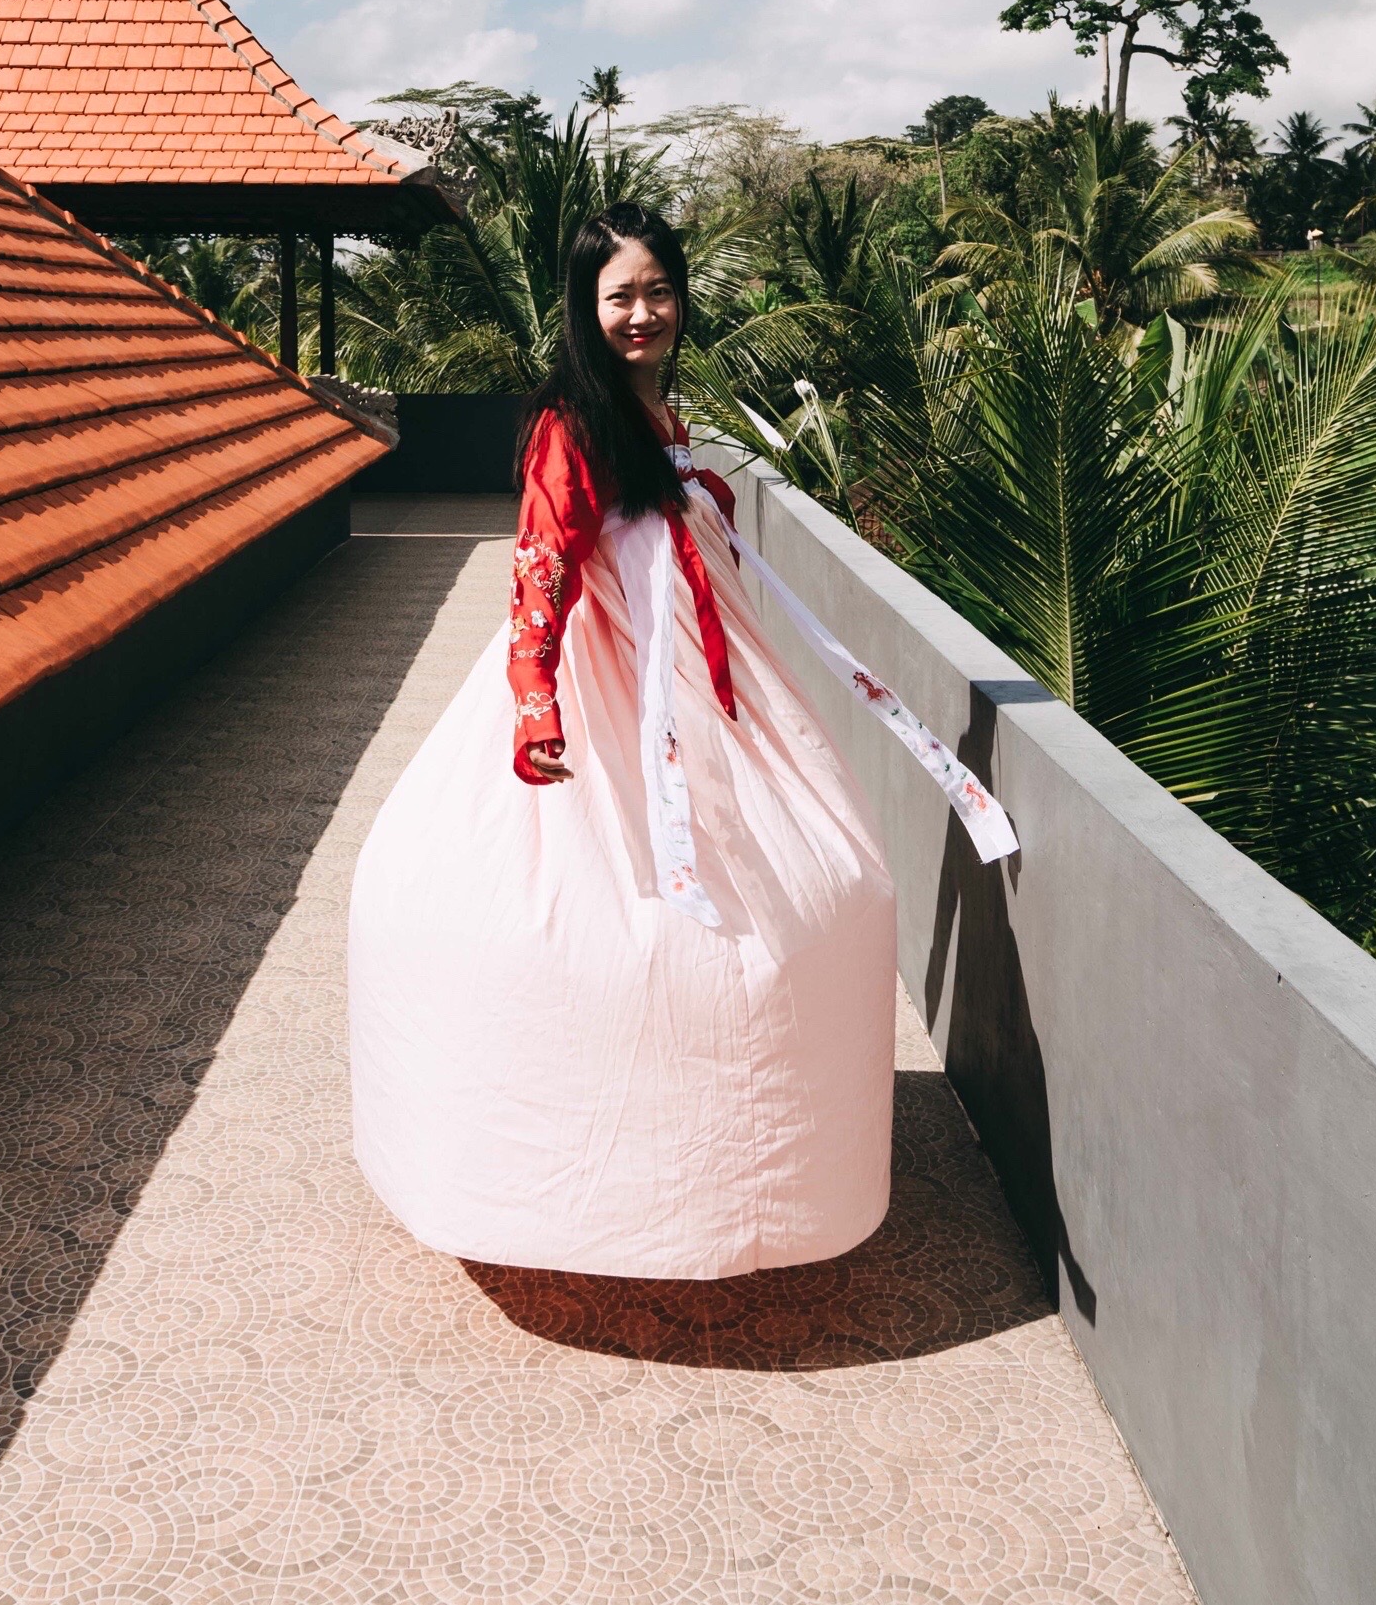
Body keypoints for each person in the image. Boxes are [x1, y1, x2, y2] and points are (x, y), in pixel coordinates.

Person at [345, 203, 1012, 1279]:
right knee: (594, 913)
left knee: (782, 888)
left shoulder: (660, 409)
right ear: (584, 304)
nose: (641, 313)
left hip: (690, 672)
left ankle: (714, 1148)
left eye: (658, 291)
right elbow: (541, 563)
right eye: (619, 295)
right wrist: (535, 701)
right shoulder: (570, 422)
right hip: (607, 677)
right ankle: (598, 1164)